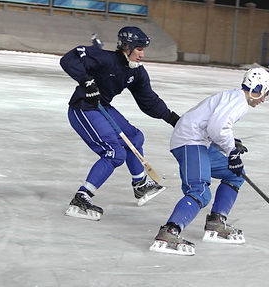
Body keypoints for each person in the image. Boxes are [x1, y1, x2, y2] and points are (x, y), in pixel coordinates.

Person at [149, 68, 269, 256]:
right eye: (265, 94)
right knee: (200, 190)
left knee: (235, 174)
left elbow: (212, 125)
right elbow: (217, 127)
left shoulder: (234, 97)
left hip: (198, 141)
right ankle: (170, 231)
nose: (264, 99)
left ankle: (216, 222)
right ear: (257, 88)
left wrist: (232, 143)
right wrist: (231, 151)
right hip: (190, 141)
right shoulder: (239, 102)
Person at [60, 26, 180, 221]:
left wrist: (173, 118)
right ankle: (82, 198)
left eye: (143, 50)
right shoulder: (106, 59)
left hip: (103, 108)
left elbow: (148, 100)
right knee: (114, 153)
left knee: (134, 137)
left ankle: (140, 185)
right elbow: (69, 59)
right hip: (83, 109)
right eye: (139, 49)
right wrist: (87, 81)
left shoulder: (136, 72)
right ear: (127, 46)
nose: (142, 54)